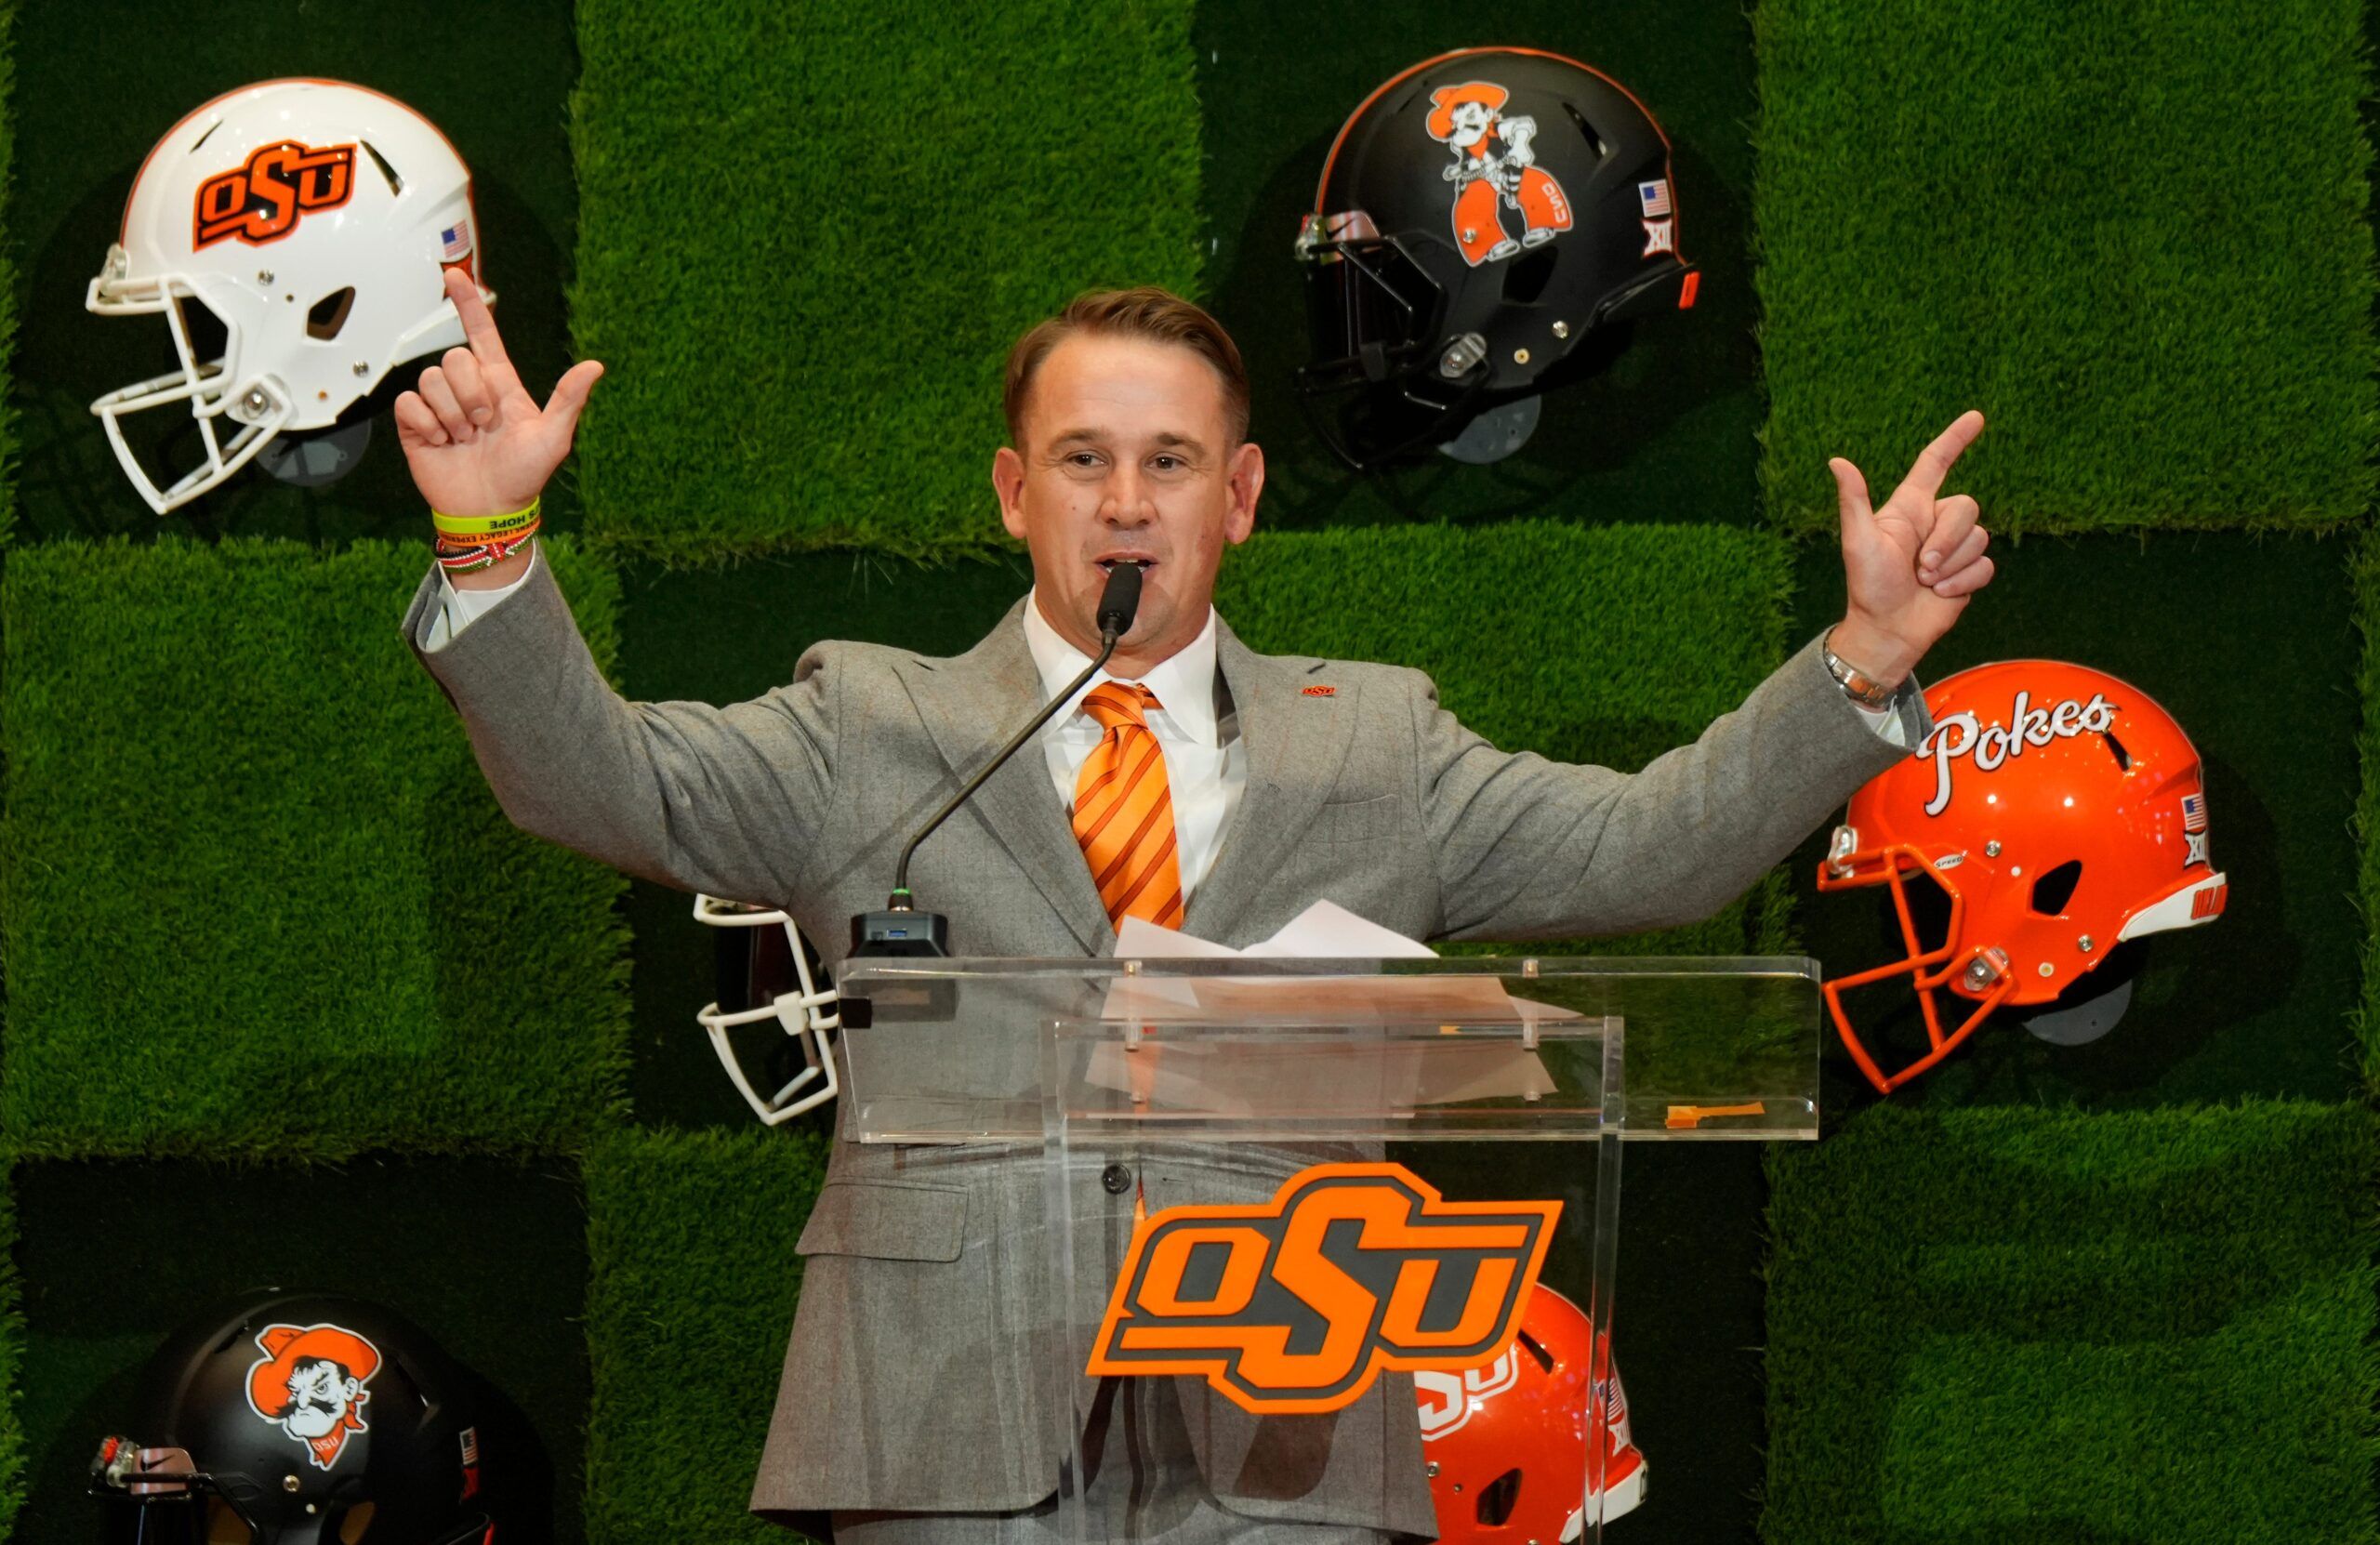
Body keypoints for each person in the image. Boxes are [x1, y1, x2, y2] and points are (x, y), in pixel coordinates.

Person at [395, 269, 1991, 1543]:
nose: (1127, 504)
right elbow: (599, 783)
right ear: (1017, 492)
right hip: (946, 1420)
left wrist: (1863, 655)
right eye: (1084, 460)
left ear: (1239, 496)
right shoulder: (864, 724)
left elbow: (1662, 847)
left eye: (1169, 463)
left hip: (1281, 1425)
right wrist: (488, 534)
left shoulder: (1377, 738)